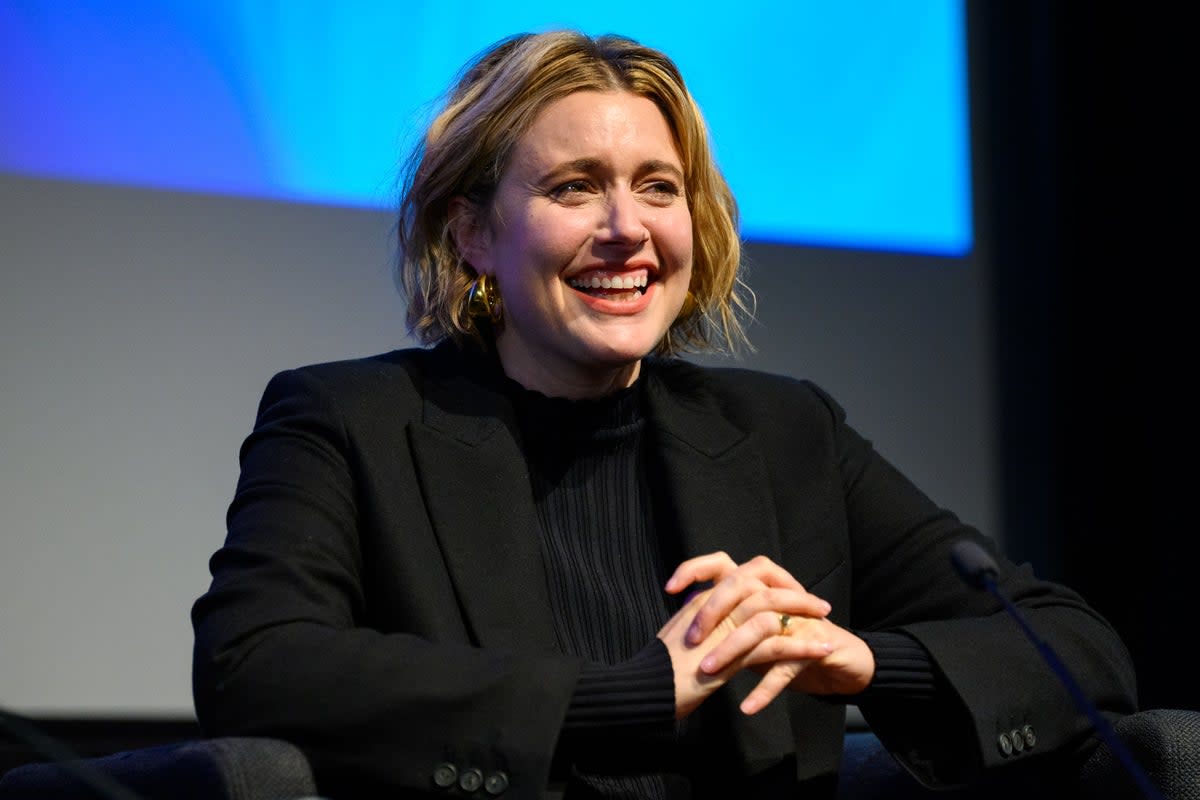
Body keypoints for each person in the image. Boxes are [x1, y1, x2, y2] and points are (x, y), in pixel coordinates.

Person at [190, 30, 1138, 799]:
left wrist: (865, 663)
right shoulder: (353, 421)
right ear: (472, 233)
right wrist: (636, 694)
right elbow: (257, 666)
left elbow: (1080, 648)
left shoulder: (784, 434)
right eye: (574, 186)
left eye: (658, 186)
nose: (627, 228)